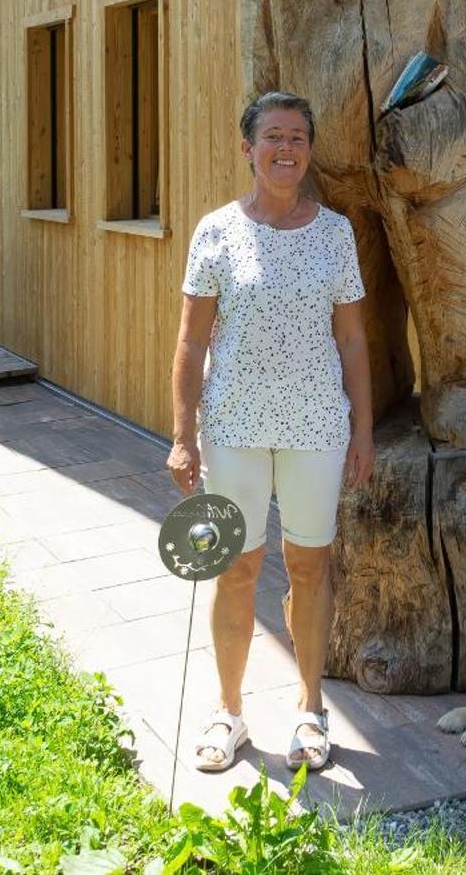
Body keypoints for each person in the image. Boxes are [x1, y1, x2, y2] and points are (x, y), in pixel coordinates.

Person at [168, 91, 374, 773]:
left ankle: (310, 709)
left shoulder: (335, 233)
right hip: (233, 427)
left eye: (298, 138)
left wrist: (364, 430)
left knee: (310, 566)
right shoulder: (217, 232)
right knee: (237, 568)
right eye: (273, 136)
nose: (286, 149)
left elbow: (351, 339)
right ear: (249, 147)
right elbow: (192, 341)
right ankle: (228, 712)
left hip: (318, 427)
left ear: (309, 150)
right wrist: (182, 434)